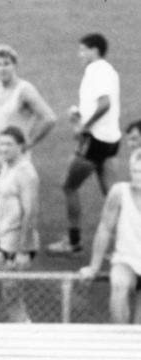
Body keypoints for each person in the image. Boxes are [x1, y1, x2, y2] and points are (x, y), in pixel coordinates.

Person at [47, 33, 121, 256]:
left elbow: (104, 104)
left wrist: (83, 126)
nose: (79, 54)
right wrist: (79, 115)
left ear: (94, 50)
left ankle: (74, 241)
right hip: (111, 140)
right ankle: (128, 243)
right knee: (113, 196)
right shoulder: (109, 71)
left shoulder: (96, 71)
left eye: (82, 50)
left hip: (95, 142)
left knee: (69, 186)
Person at [79, 148, 141, 323]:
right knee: (119, 285)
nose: (137, 177)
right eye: (135, 171)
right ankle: (120, 338)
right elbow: (105, 228)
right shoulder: (119, 192)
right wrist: (94, 266)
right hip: (126, 259)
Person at [0, 125, 39, 322]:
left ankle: (24, 330)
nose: (3, 148)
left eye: (9, 144)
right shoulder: (7, 166)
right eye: (1, 144)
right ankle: (17, 326)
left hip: (18, 244)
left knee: (11, 293)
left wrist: (23, 251)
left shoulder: (26, 173)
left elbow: (30, 212)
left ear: (21, 146)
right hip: (5, 239)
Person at [0, 44, 56, 164]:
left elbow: (49, 119)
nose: (2, 69)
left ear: (14, 65)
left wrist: (29, 142)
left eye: (6, 64)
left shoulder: (24, 91)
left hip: (16, 155)